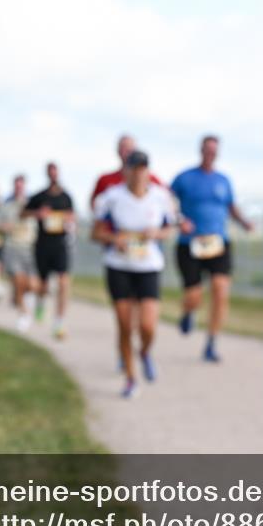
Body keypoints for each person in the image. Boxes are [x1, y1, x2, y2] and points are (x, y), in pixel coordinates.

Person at [92, 150, 174, 397]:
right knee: (125, 325)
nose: (138, 173)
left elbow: (170, 229)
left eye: (143, 168)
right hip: (119, 266)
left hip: (148, 266)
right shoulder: (112, 197)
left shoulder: (161, 197)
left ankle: (145, 352)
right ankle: (130, 378)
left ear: (148, 170)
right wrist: (114, 238)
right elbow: (95, 233)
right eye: (134, 167)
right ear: (125, 170)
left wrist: (156, 234)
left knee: (148, 325)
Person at [170, 135, 253, 362]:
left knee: (220, 289)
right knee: (194, 294)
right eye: (207, 149)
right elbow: (167, 201)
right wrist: (179, 220)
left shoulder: (223, 180)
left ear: (218, 153)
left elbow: (231, 207)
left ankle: (211, 343)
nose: (210, 154)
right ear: (201, 150)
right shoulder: (184, 178)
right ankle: (188, 312)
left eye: (214, 150)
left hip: (218, 242)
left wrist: (244, 222)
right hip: (190, 244)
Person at [24, 162, 75, 339]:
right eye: (50, 172)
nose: (53, 175)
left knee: (63, 282)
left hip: (61, 245)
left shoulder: (66, 197)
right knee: (43, 285)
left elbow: (72, 216)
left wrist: (69, 220)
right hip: (43, 245)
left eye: (55, 172)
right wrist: (38, 214)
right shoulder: (39, 196)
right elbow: (23, 213)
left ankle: (59, 321)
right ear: (47, 174)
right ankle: (40, 302)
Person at [0, 174, 39, 332]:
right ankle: (24, 314)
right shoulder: (6, 204)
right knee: (18, 280)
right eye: (16, 185)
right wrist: (3, 226)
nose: (19, 188)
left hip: (29, 247)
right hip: (12, 246)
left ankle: (25, 300)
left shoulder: (32, 204)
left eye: (21, 185)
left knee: (32, 285)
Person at [90, 135, 163, 210]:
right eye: (124, 148)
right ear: (118, 151)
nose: (127, 152)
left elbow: (167, 201)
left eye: (130, 148)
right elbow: (94, 205)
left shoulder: (152, 180)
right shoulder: (105, 180)